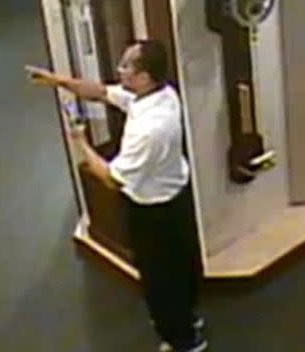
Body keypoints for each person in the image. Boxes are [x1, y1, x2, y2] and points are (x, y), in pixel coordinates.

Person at [26, 39, 207, 352]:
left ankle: (183, 340)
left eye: (126, 66)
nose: (119, 70)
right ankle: (187, 319)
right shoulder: (160, 95)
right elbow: (101, 91)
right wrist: (59, 81)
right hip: (175, 199)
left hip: (156, 212)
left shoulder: (150, 129)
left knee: (160, 278)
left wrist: (80, 142)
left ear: (144, 77)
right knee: (182, 267)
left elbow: (113, 179)